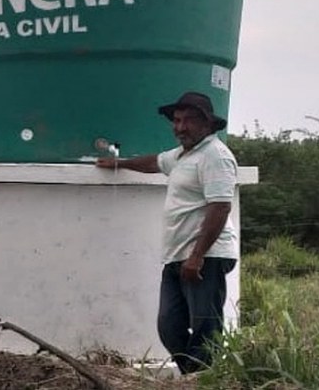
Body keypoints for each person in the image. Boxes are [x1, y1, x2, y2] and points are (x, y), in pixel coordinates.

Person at [96, 91, 238, 374]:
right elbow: (155, 162)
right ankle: (198, 377)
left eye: (188, 121)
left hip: (205, 256)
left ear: (207, 124)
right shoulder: (184, 155)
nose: (180, 127)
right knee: (169, 325)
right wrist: (119, 164)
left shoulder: (215, 156)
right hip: (176, 255)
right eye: (176, 120)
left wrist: (197, 256)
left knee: (205, 326)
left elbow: (220, 207)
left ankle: (202, 379)